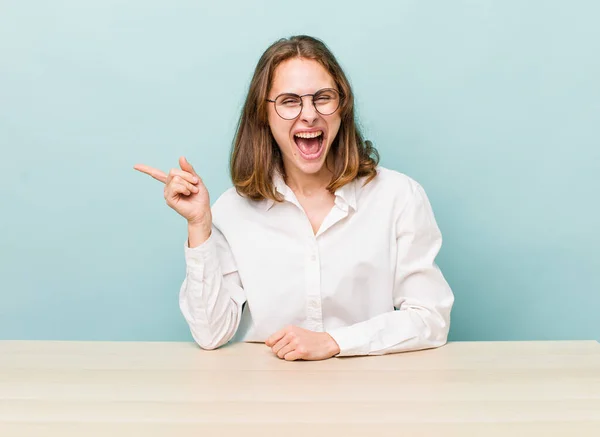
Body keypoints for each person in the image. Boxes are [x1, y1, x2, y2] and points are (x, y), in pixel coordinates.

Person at [134, 35, 454, 361]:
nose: (309, 114)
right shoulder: (233, 210)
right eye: (289, 101)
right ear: (264, 116)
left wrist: (335, 341)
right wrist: (199, 224)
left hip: (367, 395)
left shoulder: (399, 197)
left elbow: (431, 318)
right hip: (265, 397)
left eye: (323, 98)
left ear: (342, 107)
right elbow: (211, 332)